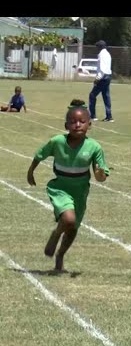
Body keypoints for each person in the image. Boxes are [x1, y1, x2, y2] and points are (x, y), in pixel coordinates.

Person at [27, 99, 110, 271]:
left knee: (73, 228)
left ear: (90, 125)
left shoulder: (94, 147)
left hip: (80, 191)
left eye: (82, 121)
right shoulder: (57, 141)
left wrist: (101, 174)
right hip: (60, 188)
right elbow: (39, 155)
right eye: (72, 122)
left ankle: (60, 256)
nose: (77, 125)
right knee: (68, 219)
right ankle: (56, 234)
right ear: (66, 125)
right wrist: (30, 172)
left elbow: (100, 176)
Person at [89, 40, 113, 122]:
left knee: (92, 95)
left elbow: (102, 69)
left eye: (97, 47)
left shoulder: (101, 55)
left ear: (100, 47)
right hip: (108, 76)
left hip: (103, 77)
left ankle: (93, 116)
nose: (97, 49)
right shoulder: (108, 54)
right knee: (106, 96)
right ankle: (109, 117)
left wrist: (97, 79)